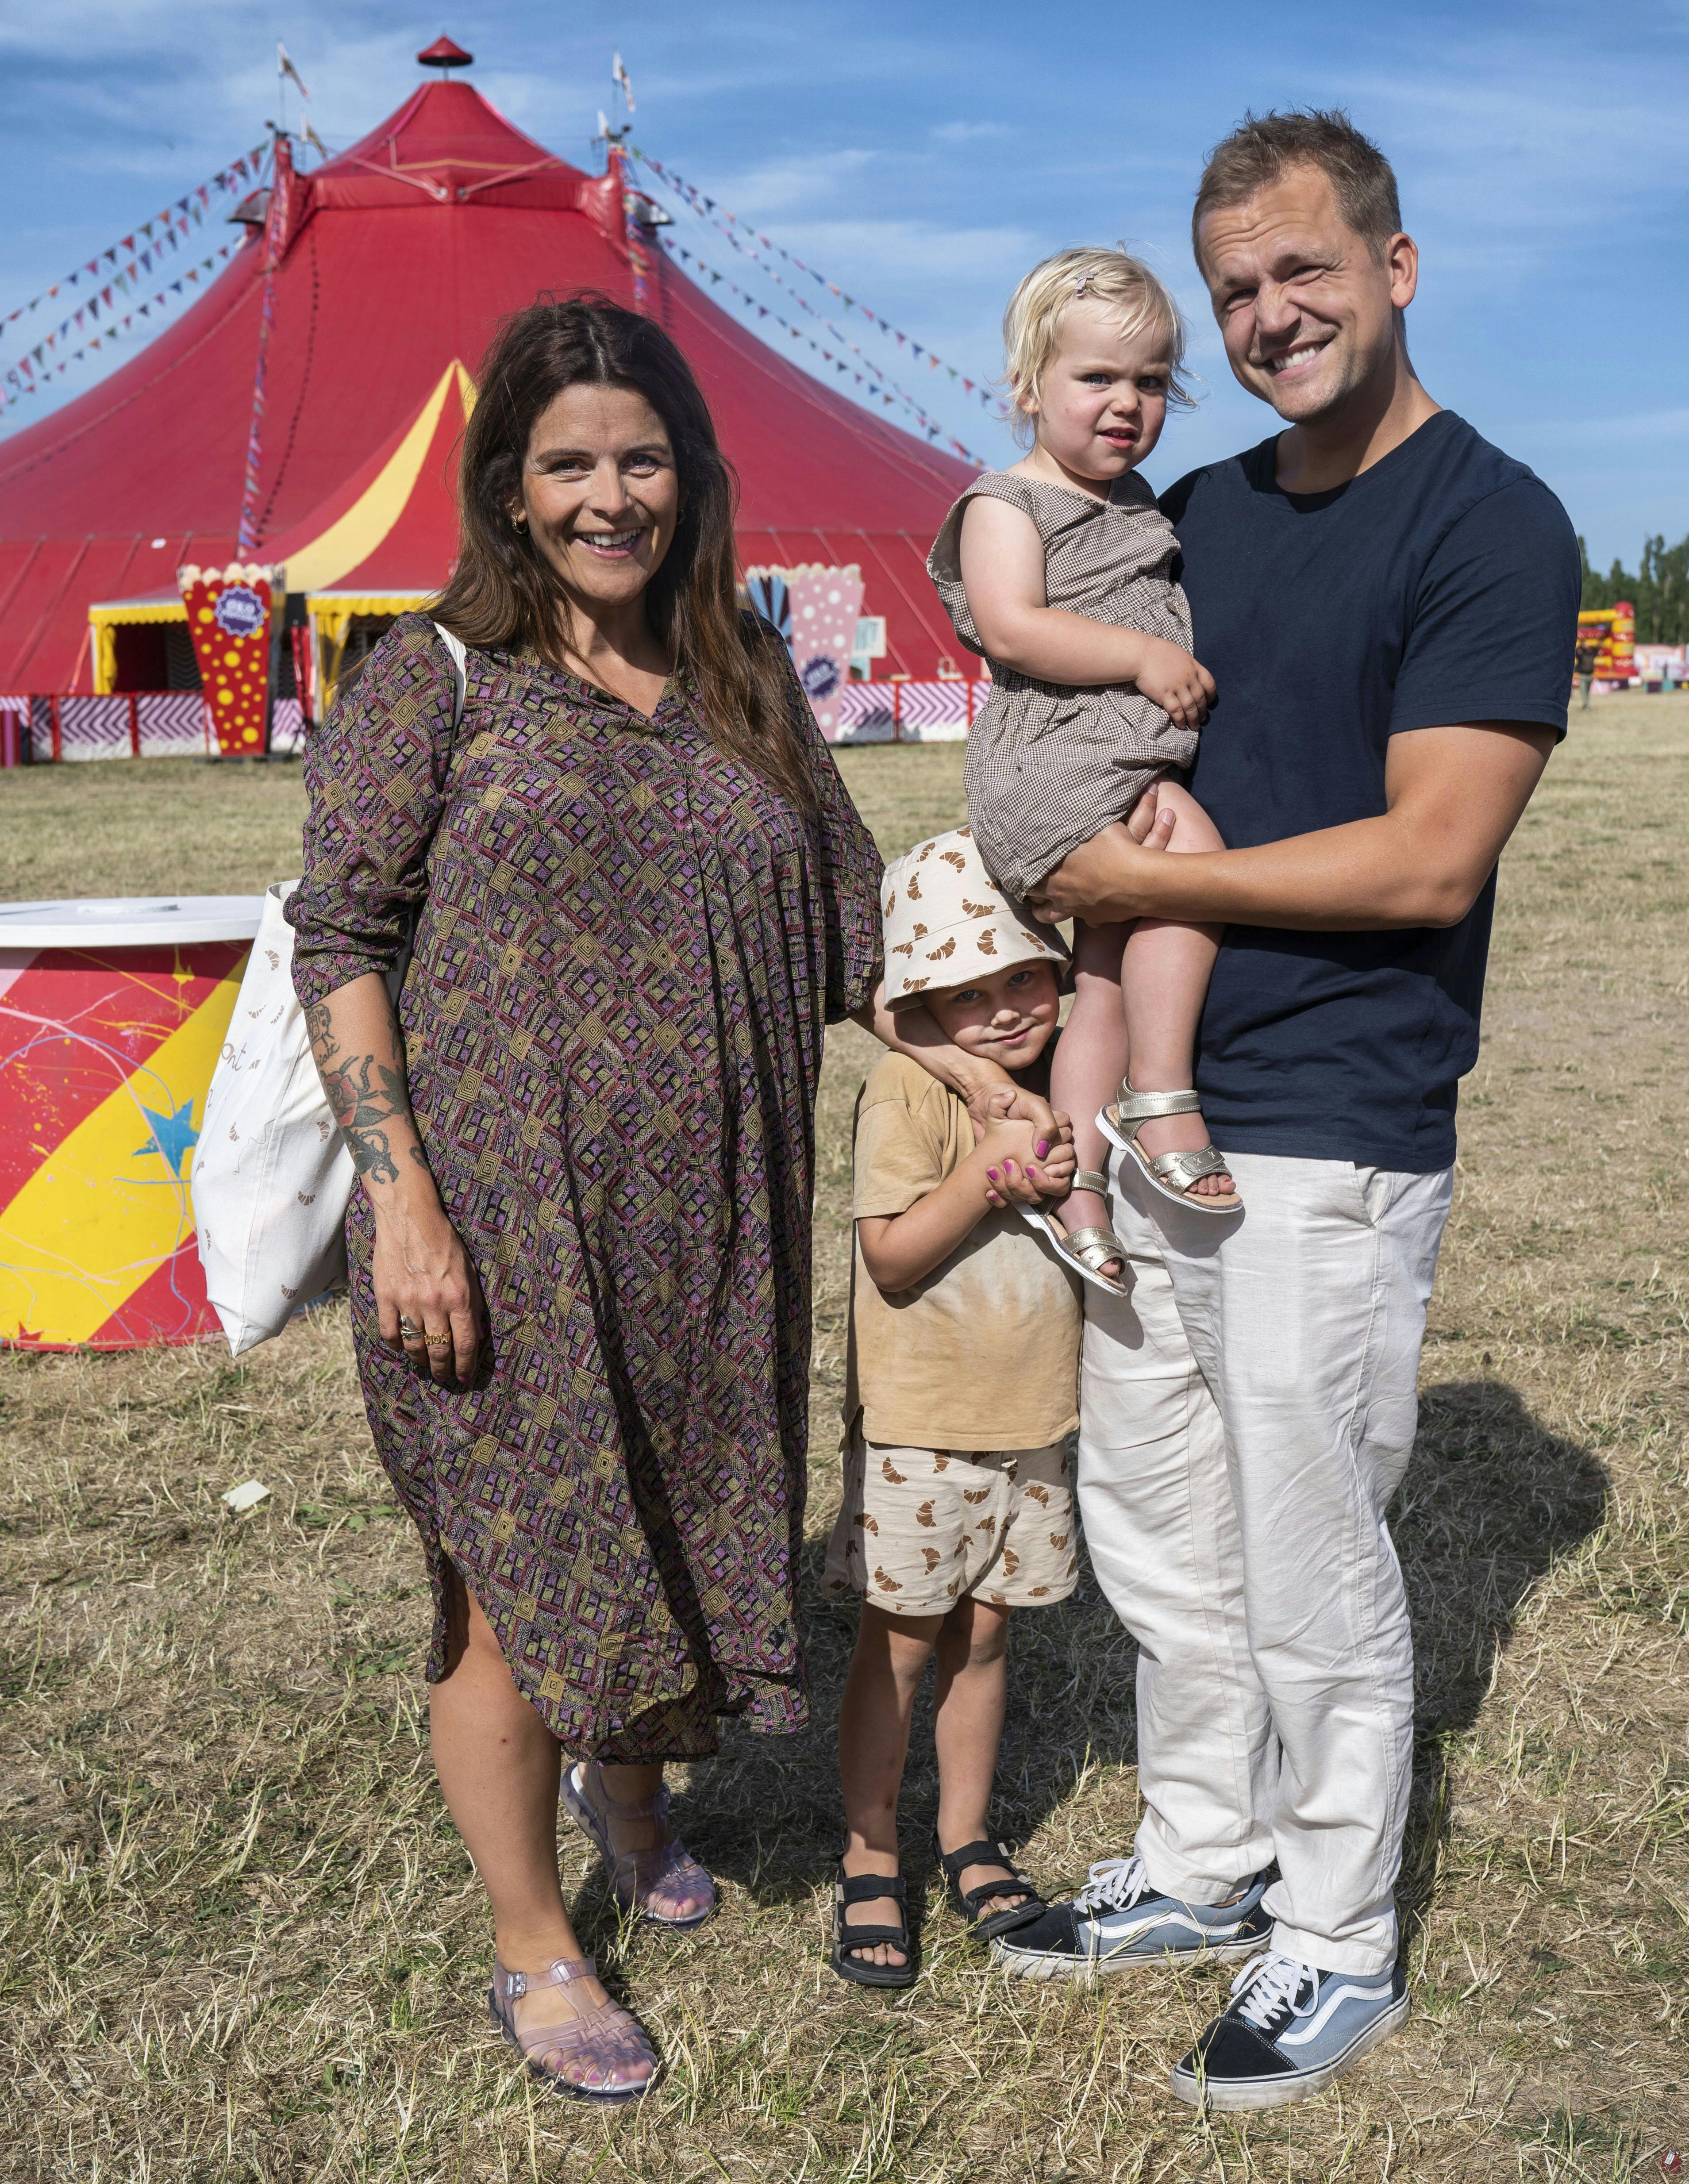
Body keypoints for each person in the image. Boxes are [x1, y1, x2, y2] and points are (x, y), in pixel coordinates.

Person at [995, 111, 1580, 2112]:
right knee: (1154, 1519)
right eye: (1234, 288)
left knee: (1305, 1533)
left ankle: (1331, 1931)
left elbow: (1427, 858)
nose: (1268, 315)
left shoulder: (1487, 524)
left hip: (1330, 1111)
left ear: (1394, 270)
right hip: (1148, 1093)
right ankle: (1196, 1854)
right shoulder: (1195, 515)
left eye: (1303, 272)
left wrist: (1148, 888)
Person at [287, 296, 890, 2101]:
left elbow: (857, 920)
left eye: (640, 457)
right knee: (510, 1578)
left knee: (674, 1523)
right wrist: (402, 1206)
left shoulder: (749, 679)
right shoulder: (439, 677)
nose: (609, 494)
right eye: (569, 463)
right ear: (510, 486)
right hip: (496, 1228)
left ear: (690, 474)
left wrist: (1023, 1020)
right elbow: (340, 934)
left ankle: (631, 1812)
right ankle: (536, 1945)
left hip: (715, 1226)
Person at [927, 249, 1238, 1302]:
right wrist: (1145, 656)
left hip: (1105, 762)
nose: (1126, 405)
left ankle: (1081, 1191)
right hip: (1051, 768)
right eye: (1097, 380)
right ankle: (1159, 1092)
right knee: (1197, 850)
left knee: (1100, 979)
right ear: (1027, 388)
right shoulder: (1005, 503)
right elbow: (1015, 627)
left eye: (1150, 382)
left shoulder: (1139, 502)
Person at [822, 829, 1081, 1986]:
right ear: (923, 1003)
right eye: (965, 995)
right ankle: (872, 1847)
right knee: (904, 1643)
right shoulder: (910, 1087)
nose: (1004, 1010)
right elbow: (888, 1257)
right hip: (923, 1424)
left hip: (1032, 1418)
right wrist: (990, 1176)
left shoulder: (1067, 1078)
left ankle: (964, 1833)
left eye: (1022, 975)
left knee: (987, 1636)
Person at [1575, 638, 1598, 708]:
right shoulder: (1592, 654)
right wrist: (1589, 646)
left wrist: (1583, 646)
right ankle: (1586, 704)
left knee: (1584, 691)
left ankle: (1586, 704)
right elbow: (1596, 650)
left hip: (1584, 675)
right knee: (1586, 691)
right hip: (1589, 675)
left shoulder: (1582, 655)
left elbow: (1575, 652)